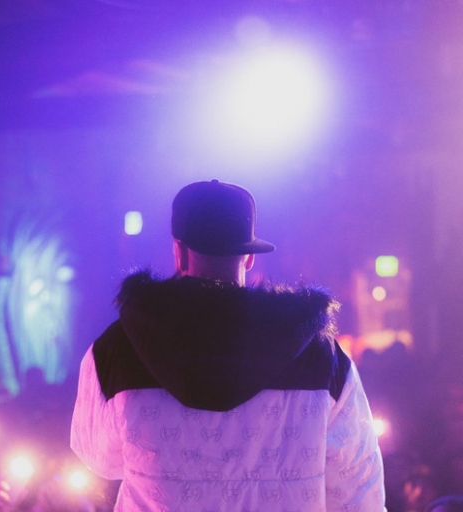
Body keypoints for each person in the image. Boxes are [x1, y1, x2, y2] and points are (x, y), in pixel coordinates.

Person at [70, 179, 386, 511]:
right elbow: (356, 484)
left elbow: (99, 457)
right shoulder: (319, 353)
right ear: (248, 258)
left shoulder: (120, 347)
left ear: (179, 252)